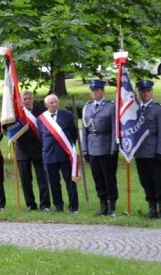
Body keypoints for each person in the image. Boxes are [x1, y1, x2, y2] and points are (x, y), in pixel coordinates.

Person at [133, 80, 161, 220]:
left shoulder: (158, 109)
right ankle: (152, 209)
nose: (145, 94)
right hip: (139, 151)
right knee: (145, 181)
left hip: (154, 151)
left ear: (152, 92)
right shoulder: (134, 109)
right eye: (142, 91)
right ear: (139, 93)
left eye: (148, 91)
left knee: (157, 181)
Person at [81, 80, 119, 217]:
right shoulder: (88, 107)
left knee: (109, 178)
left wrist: (114, 148)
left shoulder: (111, 106)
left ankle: (111, 205)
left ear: (102, 91)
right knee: (98, 178)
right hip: (92, 147)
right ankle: (103, 205)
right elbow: (84, 130)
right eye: (93, 90)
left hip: (106, 146)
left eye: (97, 90)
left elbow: (115, 129)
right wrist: (84, 149)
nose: (95, 92)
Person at [38, 94, 80, 214]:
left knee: (70, 181)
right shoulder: (41, 119)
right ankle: (58, 206)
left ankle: (73, 207)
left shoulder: (67, 115)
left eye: (56, 102)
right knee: (53, 183)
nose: (54, 104)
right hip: (49, 155)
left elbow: (73, 134)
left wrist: (68, 148)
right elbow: (41, 137)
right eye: (51, 103)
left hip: (64, 154)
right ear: (46, 105)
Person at [10, 92, 50, 211]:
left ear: (32, 99)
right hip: (22, 150)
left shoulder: (41, 111)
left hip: (39, 149)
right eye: (25, 99)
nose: (27, 101)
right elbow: (10, 131)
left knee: (42, 179)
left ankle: (45, 204)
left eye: (29, 98)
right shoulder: (16, 114)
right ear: (21, 100)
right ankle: (30, 204)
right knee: (26, 180)